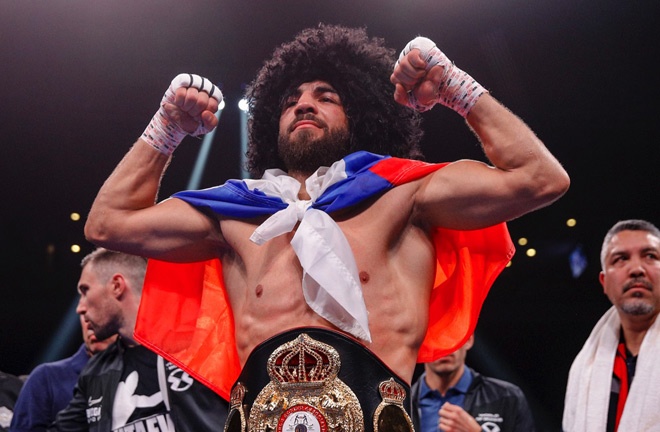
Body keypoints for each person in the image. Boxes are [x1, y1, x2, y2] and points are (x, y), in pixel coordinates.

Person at [84, 24, 569, 430]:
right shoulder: (236, 216)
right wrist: (165, 128)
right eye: (290, 99)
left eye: (326, 96)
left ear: (357, 114)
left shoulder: (403, 194)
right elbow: (108, 223)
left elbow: (540, 179)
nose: (303, 104)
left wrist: (454, 87)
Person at [53, 248, 227, 432]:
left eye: (85, 290)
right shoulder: (95, 370)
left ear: (117, 286)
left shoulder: (199, 345)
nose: (80, 308)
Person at [563, 219, 660, 432]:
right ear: (604, 283)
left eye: (650, 256)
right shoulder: (584, 367)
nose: (636, 269)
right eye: (621, 259)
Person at [10, 312, 116, 432]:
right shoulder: (46, 378)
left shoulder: (138, 373)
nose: (90, 323)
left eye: (99, 313)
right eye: (85, 314)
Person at [412, 335, 535, 432]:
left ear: (469, 340)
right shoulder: (401, 405)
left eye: (453, 336)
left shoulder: (507, 397)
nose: (445, 346)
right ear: (419, 343)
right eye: (435, 338)